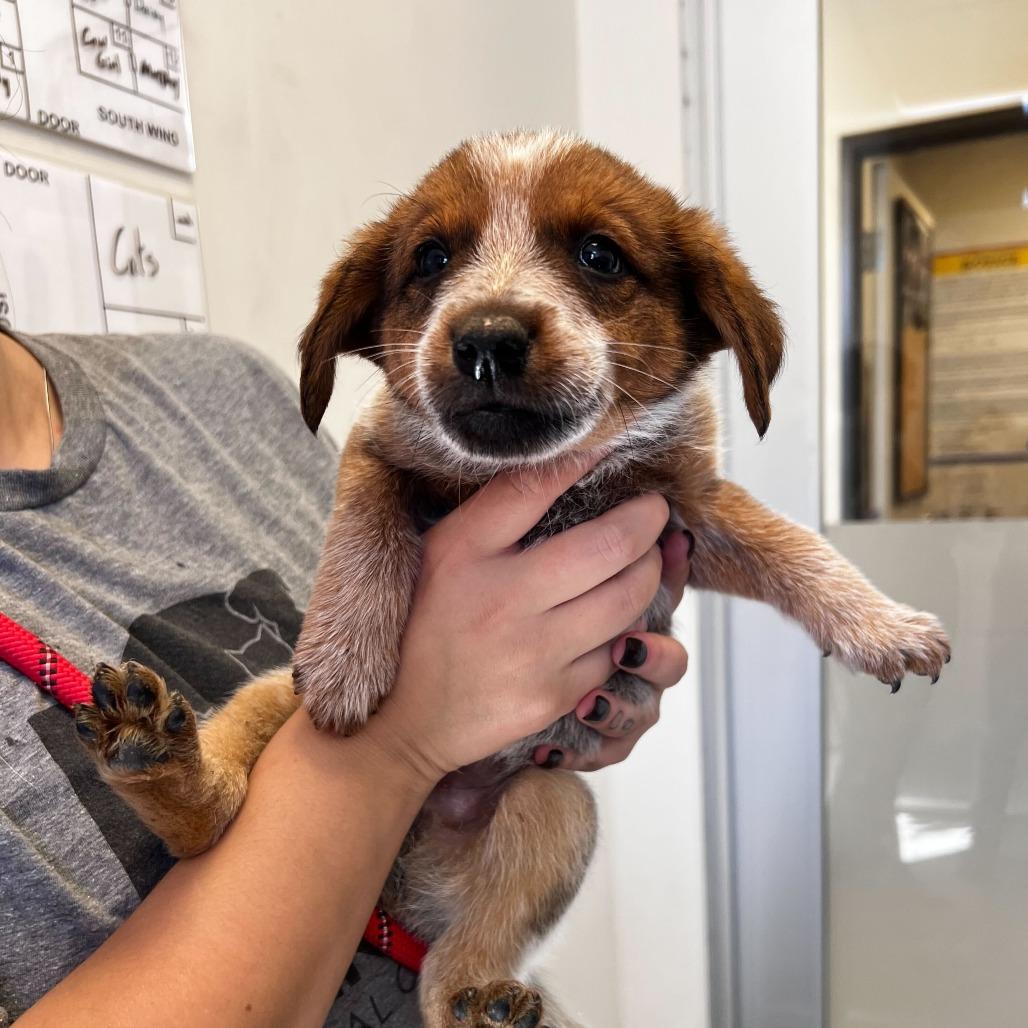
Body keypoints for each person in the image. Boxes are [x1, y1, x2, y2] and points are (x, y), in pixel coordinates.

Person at [0, 328, 691, 1027]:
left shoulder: (223, 383)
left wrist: (571, 671)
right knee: (285, 697)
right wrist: (405, 733)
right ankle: (198, 793)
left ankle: (473, 973)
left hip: (464, 853)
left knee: (557, 809)